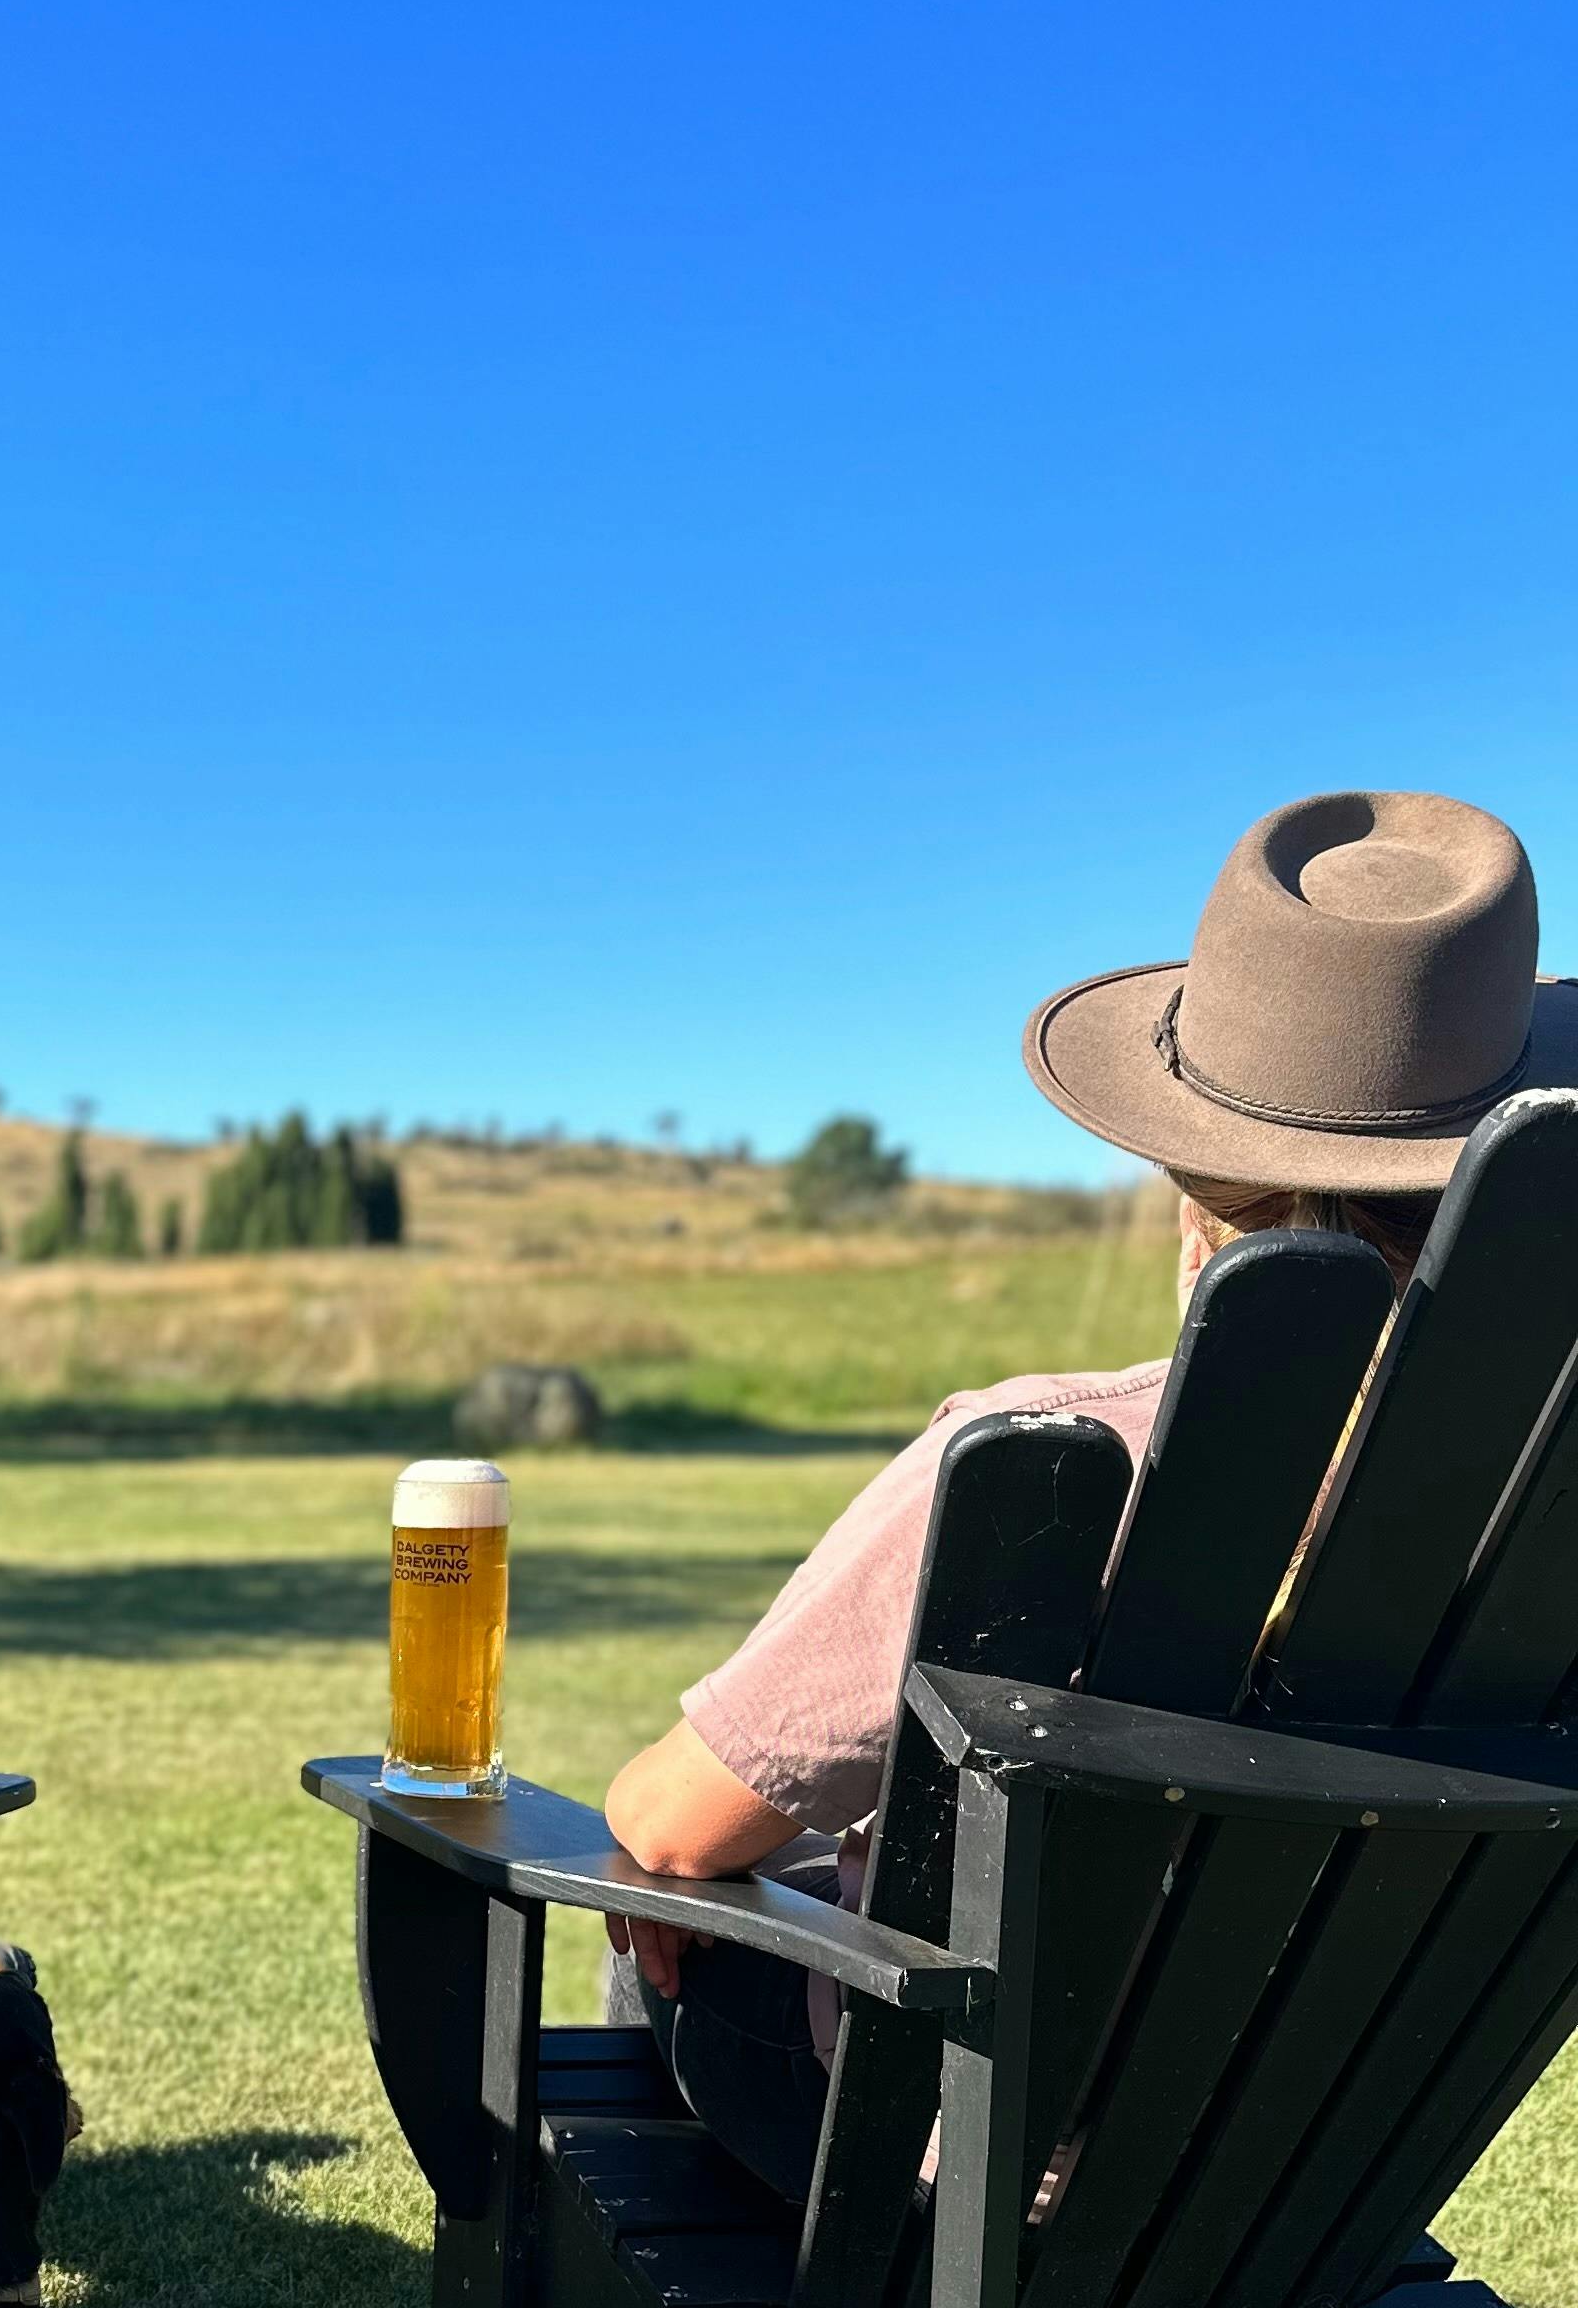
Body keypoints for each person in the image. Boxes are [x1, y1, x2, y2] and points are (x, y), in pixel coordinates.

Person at [597, 788, 1578, 2201]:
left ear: (1192, 1182)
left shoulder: (1049, 1464)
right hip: (1313, 2188)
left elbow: (675, 1823)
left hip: (981, 2193)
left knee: (669, 1927)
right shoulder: (1544, 1511)